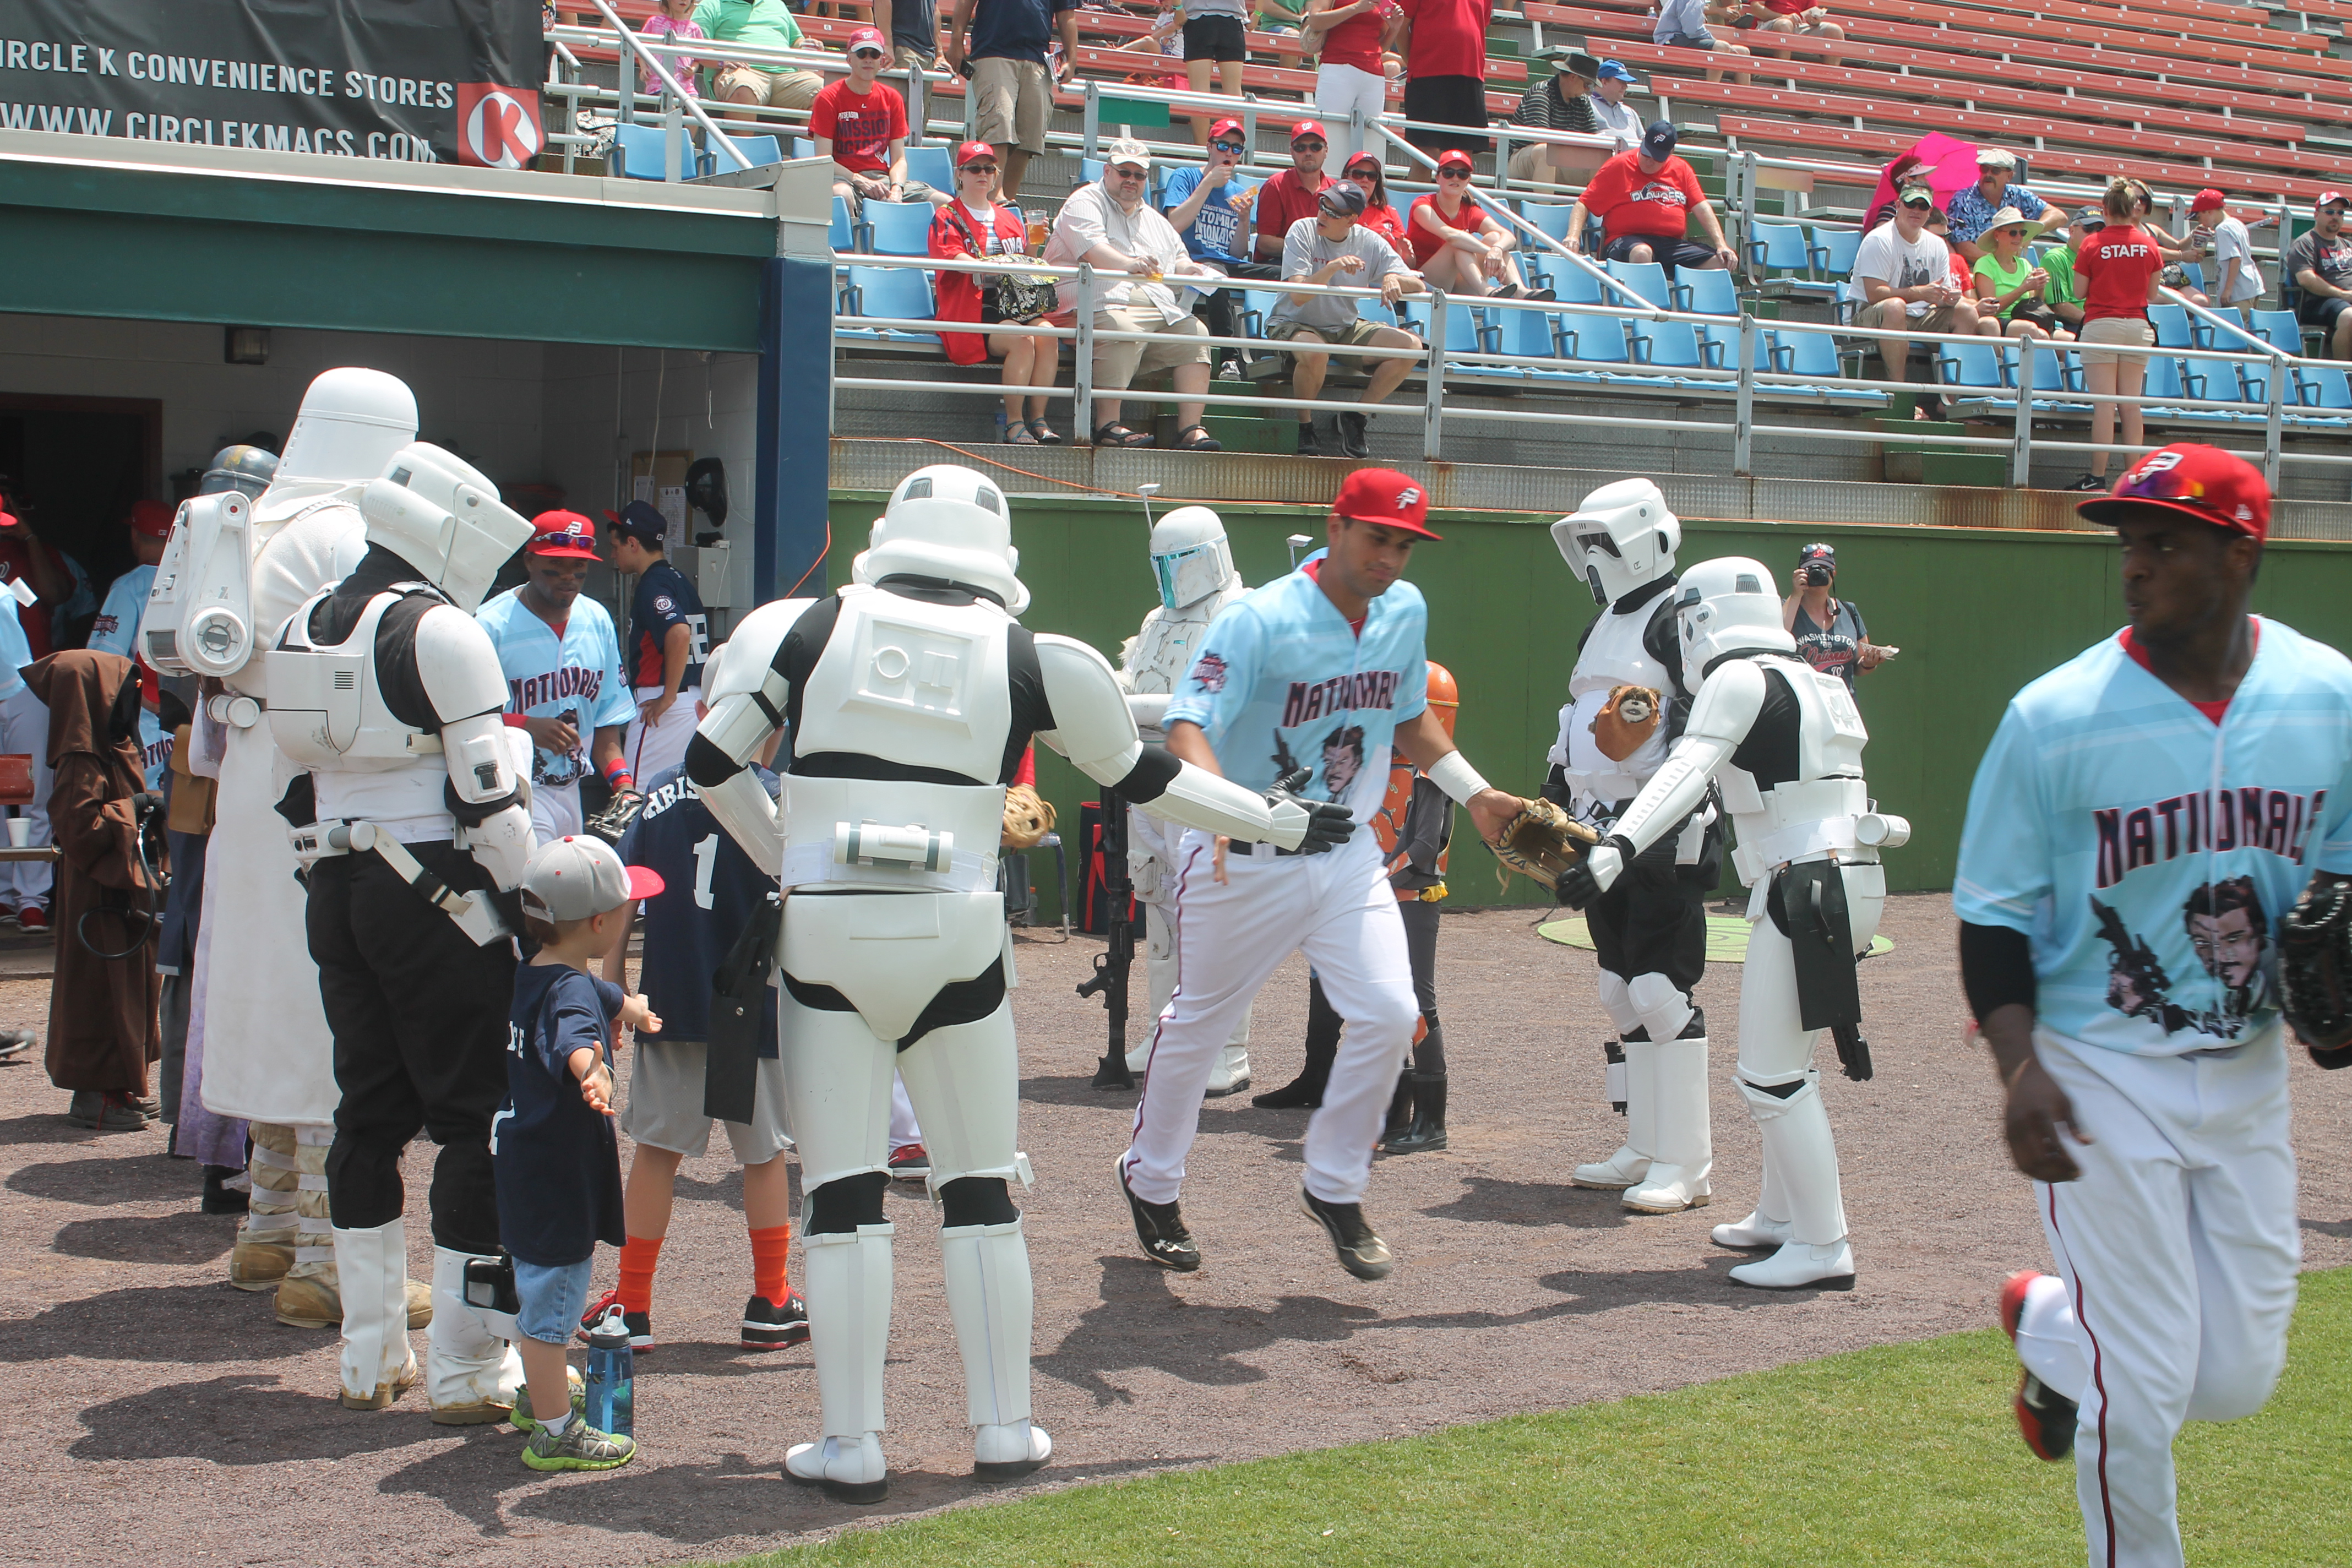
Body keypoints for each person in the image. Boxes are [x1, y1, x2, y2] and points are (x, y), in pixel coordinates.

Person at [684, 464, 1355, 1500]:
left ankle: (851, 1440)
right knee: (980, 1191)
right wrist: (1277, 818)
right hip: (956, 935)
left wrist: (791, 858)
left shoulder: (797, 630)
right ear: (996, 549)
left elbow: (711, 763)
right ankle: (1004, 1424)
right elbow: (1146, 777)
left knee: (843, 1195)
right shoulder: (1033, 655)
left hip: (826, 932)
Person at [1955, 444, 2343, 1568]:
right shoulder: (2055, 716)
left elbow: (2348, 872)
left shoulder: (2329, 694)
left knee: (2233, 1379)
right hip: (2096, 1072)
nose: (2135, 564)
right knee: (2144, 1390)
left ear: (2241, 550)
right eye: (2128, 542)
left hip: (2249, 1070)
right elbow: (1990, 915)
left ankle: (2043, 1319)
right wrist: (2019, 1067)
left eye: (2164, 541)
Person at [1119, 469, 1523, 1283]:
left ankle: (1334, 1184)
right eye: (1379, 537)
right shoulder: (1258, 617)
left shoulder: (1404, 611)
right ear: (1337, 527)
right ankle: (1150, 1180)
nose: (1392, 557)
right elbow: (1190, 727)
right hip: (1246, 854)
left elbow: (1408, 717)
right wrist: (1236, 813)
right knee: (1199, 1027)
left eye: (1406, 543)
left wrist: (1475, 796)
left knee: (1388, 1009)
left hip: (1344, 855)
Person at [276, 442, 539, 1421]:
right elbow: (491, 800)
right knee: (478, 1118)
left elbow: (291, 786)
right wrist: (536, 907)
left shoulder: (303, 620)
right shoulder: (441, 629)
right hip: (437, 890)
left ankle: (368, 1357)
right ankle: (469, 1369)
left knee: (368, 1115)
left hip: (338, 886)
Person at [1560, 556, 1904, 1290]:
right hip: (1836, 873)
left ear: (1701, 621)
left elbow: (1687, 770)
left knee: (1771, 1075)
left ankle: (1822, 1241)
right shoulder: (1814, 678)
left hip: (1806, 879)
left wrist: (1617, 847)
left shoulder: (1740, 678)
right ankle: (1783, 1218)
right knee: (1790, 1064)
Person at [170, 375, 429, 1330]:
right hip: (313, 789)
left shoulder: (244, 518)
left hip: (243, 781)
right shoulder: (336, 531)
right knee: (334, 1011)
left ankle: (270, 1222)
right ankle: (329, 1255)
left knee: (261, 998)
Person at [581, 656, 810, 1353]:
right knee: (764, 1155)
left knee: (656, 1152)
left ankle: (636, 1304)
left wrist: (616, 983)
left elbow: (629, 892)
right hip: (753, 998)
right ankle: (770, 1297)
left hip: (671, 996)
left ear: (707, 716)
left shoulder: (657, 791)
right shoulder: (776, 798)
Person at [1548, 481, 1719, 1212]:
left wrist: (1659, 819)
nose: (1594, 560)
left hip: (1662, 828)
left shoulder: (1681, 615)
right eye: (1586, 546)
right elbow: (1573, 723)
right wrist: (1550, 808)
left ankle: (1687, 1165)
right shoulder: (1600, 630)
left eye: (1603, 542)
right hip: (1593, 826)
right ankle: (1645, 1147)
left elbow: (1706, 726)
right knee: (1620, 990)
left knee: (1659, 990)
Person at [502, 834, 661, 1473]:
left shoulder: (540, 967)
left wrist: (634, 1008)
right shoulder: (571, 995)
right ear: (599, 923)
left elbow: (595, 997)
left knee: (536, 1289)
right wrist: (592, 1071)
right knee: (552, 1310)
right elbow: (575, 1033)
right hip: (557, 1173)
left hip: (524, 1162)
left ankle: (534, 1396)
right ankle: (555, 1431)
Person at [1115, 506, 1256, 1094]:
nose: (1171, 576)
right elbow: (1136, 679)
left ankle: (1226, 1046)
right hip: (1146, 776)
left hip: (1204, 779)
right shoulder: (1155, 619)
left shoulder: (1241, 615)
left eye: (1181, 562)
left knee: (1214, 918)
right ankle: (1162, 1030)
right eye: (1161, 564)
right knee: (1161, 907)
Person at [32, 650, 164, 1133]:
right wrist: (139, 807)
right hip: (97, 891)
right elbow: (80, 826)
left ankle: (121, 1084)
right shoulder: (80, 755)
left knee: (130, 984)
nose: (130, 700)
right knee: (98, 988)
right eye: (121, 690)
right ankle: (97, 1094)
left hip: (121, 885)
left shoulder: (115, 744)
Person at [1043, 139, 1224, 450]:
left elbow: (1177, 256)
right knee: (1121, 327)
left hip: (1151, 304)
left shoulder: (1154, 218)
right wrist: (1130, 265)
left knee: (1196, 333)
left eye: (1139, 175)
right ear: (1107, 171)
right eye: (1123, 172)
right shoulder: (1084, 201)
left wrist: (1188, 268)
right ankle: (1106, 425)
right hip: (1085, 302)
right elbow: (1093, 252)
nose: (1131, 180)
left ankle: (1190, 429)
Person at [475, 510, 638, 843]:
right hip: (514, 790)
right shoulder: (489, 625)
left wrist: (622, 782)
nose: (568, 576)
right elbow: (464, 719)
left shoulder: (597, 620)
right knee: (539, 887)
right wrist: (525, 726)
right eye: (557, 565)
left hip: (572, 790)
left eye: (578, 567)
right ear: (530, 560)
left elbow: (606, 715)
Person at [1267, 179, 1427, 458]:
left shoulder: (1370, 241)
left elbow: (1419, 285)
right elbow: (1298, 296)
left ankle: (1355, 416)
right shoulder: (1302, 230)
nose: (1322, 215)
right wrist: (1333, 268)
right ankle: (1304, 425)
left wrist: (1392, 277)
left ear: (1352, 219)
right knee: (1317, 352)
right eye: (1322, 205)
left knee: (1411, 347)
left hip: (1344, 327)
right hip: (1292, 322)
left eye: (1333, 212)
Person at [1375, 660, 1457, 1155]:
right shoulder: (1384, 766)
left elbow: (1427, 844)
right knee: (1386, 1004)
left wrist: (1379, 876)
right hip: (1383, 896)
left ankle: (1432, 1121)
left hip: (1413, 898)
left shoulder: (1434, 775)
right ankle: (1394, 1114)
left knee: (1418, 1005)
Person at [930, 140, 1064, 443]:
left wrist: (1033, 243)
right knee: (1022, 340)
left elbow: (1024, 264)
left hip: (1015, 305)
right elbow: (952, 257)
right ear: (960, 174)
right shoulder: (947, 215)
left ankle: (1039, 420)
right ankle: (1015, 424)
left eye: (989, 169)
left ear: (996, 175)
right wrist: (987, 265)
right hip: (974, 308)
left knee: (1049, 334)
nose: (983, 174)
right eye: (975, 168)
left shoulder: (1009, 217)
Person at [1852, 179, 1997, 419]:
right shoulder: (1880, 240)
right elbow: (1874, 293)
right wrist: (1919, 293)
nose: (1916, 210)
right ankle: (1900, 395)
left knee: (1967, 312)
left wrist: (1948, 299)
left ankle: (1949, 398)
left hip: (1920, 314)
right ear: (1898, 205)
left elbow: (1939, 294)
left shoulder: (1938, 245)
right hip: (1869, 314)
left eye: (1923, 206)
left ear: (1930, 211)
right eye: (1911, 204)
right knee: (1895, 307)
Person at [1162, 119, 1283, 380]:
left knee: (1286, 274)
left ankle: (1292, 349)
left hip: (1226, 261)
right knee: (1216, 277)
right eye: (1223, 145)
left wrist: (1243, 220)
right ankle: (1230, 359)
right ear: (1209, 147)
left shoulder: (1239, 192)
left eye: (1236, 149)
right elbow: (1174, 225)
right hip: (1192, 260)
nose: (1229, 153)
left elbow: (1237, 253)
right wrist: (1208, 184)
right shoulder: (1186, 176)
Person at [2071, 176, 2166, 493]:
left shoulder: (2091, 243)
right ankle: (2136, 481)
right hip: (2138, 326)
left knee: (2104, 406)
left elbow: (2079, 291)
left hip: (2101, 324)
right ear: (2132, 208)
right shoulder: (2149, 243)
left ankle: (2097, 478)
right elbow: (2152, 294)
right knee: (2130, 405)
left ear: (2105, 209)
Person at [608, 502, 710, 788]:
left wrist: (667, 697)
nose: (612, 554)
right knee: (673, 800)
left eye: (616, 546)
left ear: (633, 543)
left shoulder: (653, 584)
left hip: (663, 708)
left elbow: (678, 633)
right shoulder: (678, 579)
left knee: (636, 800)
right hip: (691, 702)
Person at [0, 504, 67, 927]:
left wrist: (27, 537)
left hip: (22, 692)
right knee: (9, 796)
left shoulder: (10, 584)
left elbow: (55, 596)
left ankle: (31, 898)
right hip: (18, 690)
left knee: (25, 794)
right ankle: (7, 893)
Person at [87, 500, 178, 795]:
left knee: (142, 805)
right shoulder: (197, 582)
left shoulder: (129, 587)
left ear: (135, 537)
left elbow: (103, 663)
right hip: (191, 716)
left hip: (146, 719)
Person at [946, 0, 1079, 200]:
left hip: (1037, 59)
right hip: (993, 52)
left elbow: (1067, 14)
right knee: (999, 122)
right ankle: (994, 195)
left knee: (1029, 135)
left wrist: (1072, 59)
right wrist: (957, 41)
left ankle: (1007, 201)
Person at [1565, 121, 1738, 275]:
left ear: (1671, 152)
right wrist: (1573, 236)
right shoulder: (1619, 165)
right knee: (1642, 253)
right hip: (1627, 241)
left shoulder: (1682, 169)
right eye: (1647, 154)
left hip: (1670, 245)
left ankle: (1695, 310)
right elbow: (1583, 204)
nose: (1649, 161)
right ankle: (1641, 309)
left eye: (1657, 158)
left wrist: (1721, 244)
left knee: (1722, 262)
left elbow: (1702, 207)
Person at [812, 28, 945, 217]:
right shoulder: (828, 97)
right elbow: (823, 160)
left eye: (874, 54)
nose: (868, 59)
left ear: (881, 61)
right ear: (849, 59)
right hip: (843, 178)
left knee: (944, 202)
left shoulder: (893, 98)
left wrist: (897, 188)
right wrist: (860, 180)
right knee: (842, 196)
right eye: (861, 53)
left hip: (882, 179)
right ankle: (851, 248)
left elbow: (899, 158)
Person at [1407, 148, 1551, 300]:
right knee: (1459, 242)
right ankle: (1486, 290)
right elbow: (1451, 236)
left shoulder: (1470, 209)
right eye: (1448, 173)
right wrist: (1489, 252)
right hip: (1426, 283)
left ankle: (1521, 291)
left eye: (1462, 174)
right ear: (1438, 178)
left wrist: (1496, 249)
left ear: (1468, 180)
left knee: (1495, 238)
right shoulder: (1422, 205)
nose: (1455, 178)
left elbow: (1509, 236)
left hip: (1462, 283)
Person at [1781, 541, 1890, 693]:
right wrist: (1796, 595)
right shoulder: (1787, 608)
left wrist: (1870, 662)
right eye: (1812, 570)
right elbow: (1780, 636)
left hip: (1842, 704)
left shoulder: (1848, 611)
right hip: (1803, 702)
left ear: (1834, 573)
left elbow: (1859, 665)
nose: (1819, 574)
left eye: (1825, 569)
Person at [1394, 0, 1491, 154]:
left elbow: (1481, 25)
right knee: (1425, 156)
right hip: (1428, 79)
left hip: (1471, 78)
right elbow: (1400, 24)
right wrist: (1413, 62)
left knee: (1462, 160)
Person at [697, 0, 826, 117]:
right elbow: (696, 45)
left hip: (786, 75)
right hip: (743, 71)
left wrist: (807, 44)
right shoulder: (711, 4)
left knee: (825, 92)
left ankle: (806, 143)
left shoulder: (777, 4)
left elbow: (796, 40)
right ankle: (743, 143)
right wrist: (723, 61)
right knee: (744, 88)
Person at [1305, 0, 1393, 171]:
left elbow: (1381, 44)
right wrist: (1356, 8)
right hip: (1338, 66)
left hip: (1374, 73)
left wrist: (1395, 27)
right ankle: (1327, 195)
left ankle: (1369, 196)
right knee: (1331, 140)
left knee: (1372, 145)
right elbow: (1315, 20)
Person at [1946, 149, 2064, 265]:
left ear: (2010, 176)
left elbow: (2059, 216)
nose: (1988, 175)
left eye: (1995, 171)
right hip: (1977, 269)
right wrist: (1999, 264)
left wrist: (2030, 233)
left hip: (2012, 266)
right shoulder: (1962, 200)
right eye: (1984, 169)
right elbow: (1963, 247)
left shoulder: (2018, 195)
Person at [1971, 207, 2072, 342]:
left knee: (2069, 340)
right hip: (2001, 321)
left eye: (2022, 233)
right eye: (2013, 233)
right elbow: (1991, 308)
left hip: (2029, 319)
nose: (2019, 238)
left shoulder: (2025, 264)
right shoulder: (1985, 264)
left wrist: (2040, 286)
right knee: (2033, 331)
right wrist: (2023, 288)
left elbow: (2036, 302)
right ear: (1997, 235)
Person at [1506, 50, 1597, 189]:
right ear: (1573, 77)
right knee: (1545, 151)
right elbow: (1541, 139)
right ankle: (1544, 210)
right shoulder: (1541, 92)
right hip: (1521, 158)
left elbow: (1594, 142)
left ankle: (1593, 210)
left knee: (1603, 159)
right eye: (1587, 84)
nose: (1587, 90)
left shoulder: (1583, 101)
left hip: (1565, 159)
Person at [1253, 120, 1336, 263]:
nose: (1308, 153)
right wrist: (1308, 249)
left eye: (1316, 147)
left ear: (1326, 151)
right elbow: (1265, 243)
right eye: (1301, 148)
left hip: (1325, 266)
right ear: (1292, 152)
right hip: (1280, 264)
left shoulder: (1336, 191)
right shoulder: (1276, 185)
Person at [2288, 189, 2352, 361]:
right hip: (2317, 302)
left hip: (2345, 301)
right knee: (2350, 317)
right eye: (2330, 212)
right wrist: (2343, 294)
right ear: (2317, 215)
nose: (2336, 216)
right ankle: (2345, 375)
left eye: (2340, 213)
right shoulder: (2306, 243)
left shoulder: (2347, 245)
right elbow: (2306, 278)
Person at [1178, 0, 1249, 145]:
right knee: (1233, 93)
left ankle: (1203, 152)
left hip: (1198, 19)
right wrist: (1258, 14)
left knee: (1200, 92)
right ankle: (1234, 149)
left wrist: (1178, 8)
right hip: (1231, 20)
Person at [2187, 188, 2264, 313]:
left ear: (2209, 212)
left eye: (2199, 216)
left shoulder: (2222, 230)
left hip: (2238, 291)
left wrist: (2228, 290)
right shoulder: (2236, 223)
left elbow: (2236, 258)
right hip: (2252, 285)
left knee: (2235, 329)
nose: (2199, 220)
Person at [1652, 0, 1750, 83]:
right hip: (1671, 40)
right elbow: (1692, 30)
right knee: (1721, 47)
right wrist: (1716, 42)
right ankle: (1711, 99)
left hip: (1687, 38)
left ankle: (1744, 103)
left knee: (1743, 52)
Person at [2037, 206, 2098, 332]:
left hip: (2097, 323)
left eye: (2100, 230)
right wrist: (2094, 322)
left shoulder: (2103, 259)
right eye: (2089, 229)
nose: (2094, 234)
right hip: (2071, 325)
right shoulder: (2056, 258)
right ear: (2071, 231)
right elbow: (2059, 306)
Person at [1341, 150, 1411, 253]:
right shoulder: (1336, 209)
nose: (1365, 180)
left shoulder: (1390, 212)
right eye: (1358, 174)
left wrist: (1396, 249)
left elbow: (1408, 262)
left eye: (1372, 176)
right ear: (1346, 176)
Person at [640, 0, 707, 95]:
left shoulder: (694, 28)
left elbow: (698, 58)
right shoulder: (654, 22)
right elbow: (641, 48)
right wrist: (644, 68)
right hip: (658, 83)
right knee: (670, 107)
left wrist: (692, 69)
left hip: (685, 85)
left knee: (695, 108)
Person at [1587, 58, 1643, 153]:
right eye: (1621, 82)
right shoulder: (1586, 105)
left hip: (1633, 163)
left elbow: (1644, 141)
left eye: (1626, 83)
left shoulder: (1630, 112)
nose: (1625, 86)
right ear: (1604, 82)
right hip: (1602, 162)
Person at [1755, 0, 1842, 58]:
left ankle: (1831, 79)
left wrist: (1815, 20)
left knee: (1835, 31)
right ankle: (1782, 72)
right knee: (1785, 24)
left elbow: (1812, 12)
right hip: (1770, 23)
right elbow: (1756, 8)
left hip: (1796, 25)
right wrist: (1785, 17)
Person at [872, 0, 939, 73]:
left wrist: (940, 54)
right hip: (901, 47)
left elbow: (935, 9)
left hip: (928, 54)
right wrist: (887, 45)